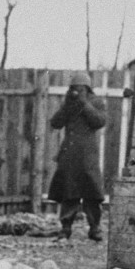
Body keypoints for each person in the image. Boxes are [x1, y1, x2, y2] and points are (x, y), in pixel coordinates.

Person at [49, 71, 107, 241]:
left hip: (88, 155)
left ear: (87, 89)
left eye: (80, 89)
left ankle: (95, 228)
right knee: (69, 193)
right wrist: (67, 106)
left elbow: (99, 122)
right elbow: (55, 123)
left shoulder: (96, 102)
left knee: (92, 193)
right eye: (73, 88)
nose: (76, 92)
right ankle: (65, 228)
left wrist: (84, 105)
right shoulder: (69, 104)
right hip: (70, 154)